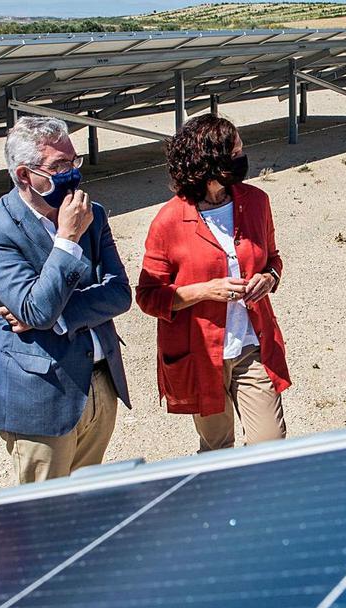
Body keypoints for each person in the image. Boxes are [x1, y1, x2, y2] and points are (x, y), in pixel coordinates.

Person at [0, 116, 131, 483]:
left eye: (74, 161)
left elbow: (120, 293)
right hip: (42, 396)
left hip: (99, 382)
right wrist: (68, 239)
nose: (72, 173)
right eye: (59, 166)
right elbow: (36, 308)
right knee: (45, 517)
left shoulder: (95, 213)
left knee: (86, 503)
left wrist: (59, 315)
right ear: (25, 175)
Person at [136, 114, 289, 452]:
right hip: (201, 353)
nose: (242, 157)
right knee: (217, 448)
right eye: (235, 152)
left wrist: (269, 278)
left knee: (271, 444)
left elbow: (273, 259)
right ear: (210, 160)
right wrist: (206, 291)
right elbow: (148, 297)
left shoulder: (256, 202)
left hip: (251, 345)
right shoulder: (169, 221)